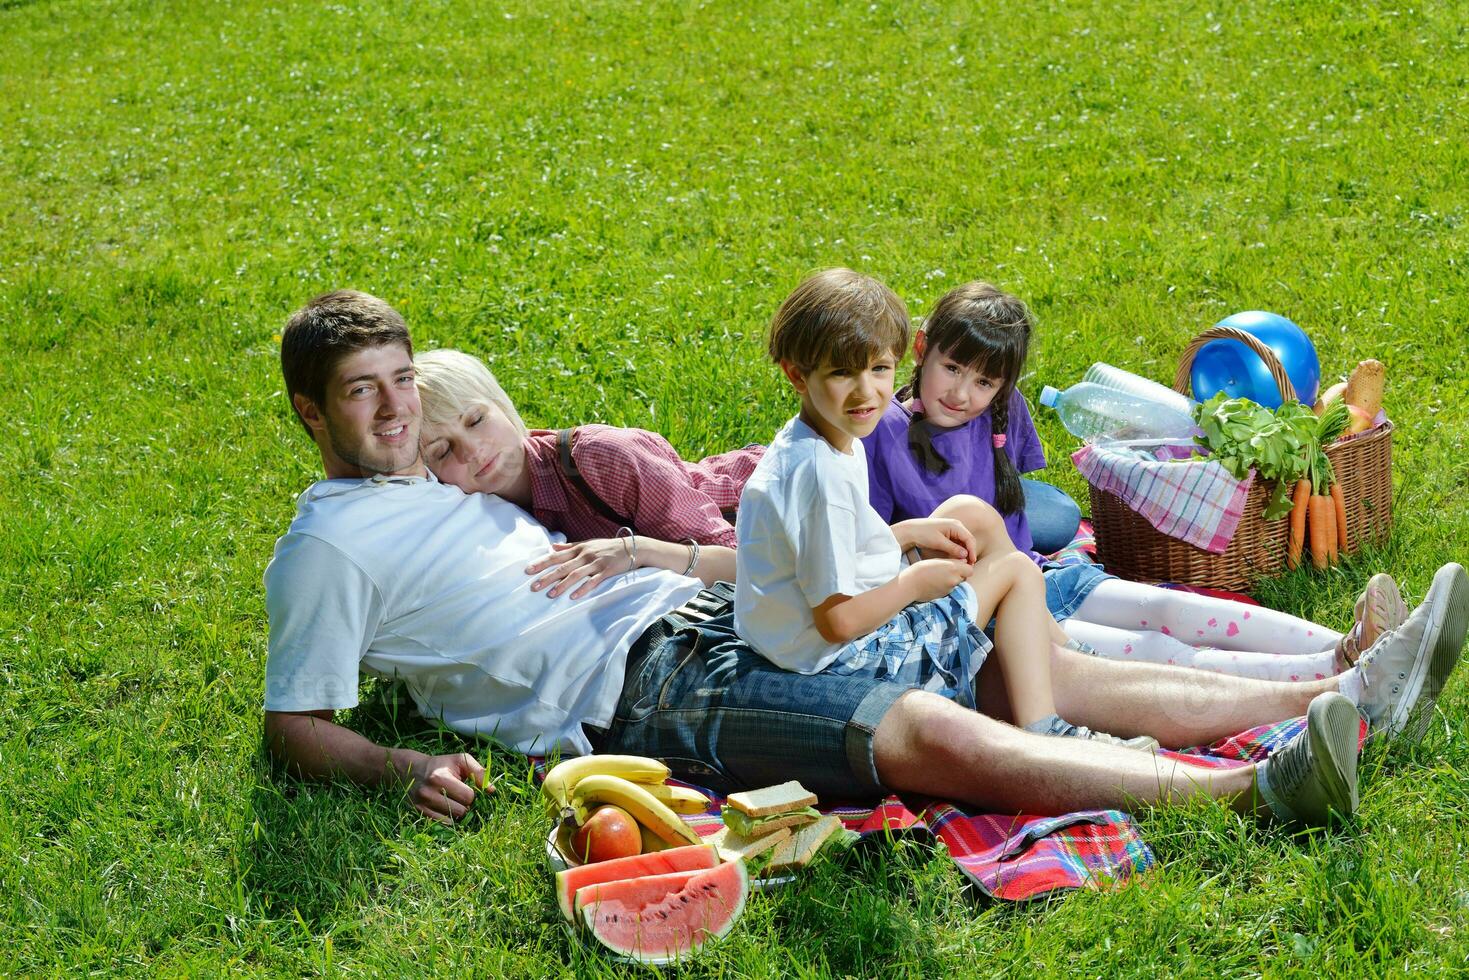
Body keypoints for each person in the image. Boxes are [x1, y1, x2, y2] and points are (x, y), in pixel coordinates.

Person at [262, 288, 1468, 830]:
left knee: (1010, 641)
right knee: (918, 729)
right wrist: (394, 765)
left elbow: (516, 450)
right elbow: (293, 721)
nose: (393, 411)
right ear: (312, 416)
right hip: (638, 690)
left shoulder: (432, 466)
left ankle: (1334, 695)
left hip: (696, 613)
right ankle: (1256, 790)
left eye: (402, 384)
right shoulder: (322, 546)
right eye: (360, 395)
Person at [862, 280, 1408, 681]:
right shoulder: (883, 432)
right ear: (921, 348)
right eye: (952, 368)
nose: (962, 393)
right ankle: (1333, 673)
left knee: (1171, 608)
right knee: (1155, 649)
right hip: (996, 615)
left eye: (984, 381)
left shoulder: (1003, 410)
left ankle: (1357, 642)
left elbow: (1024, 504)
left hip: (1041, 577)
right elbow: (880, 549)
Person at [733, 268, 1150, 746]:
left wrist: (906, 534)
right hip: (853, 661)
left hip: (805, 637)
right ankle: (1047, 731)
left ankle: (1069, 649)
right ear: (797, 375)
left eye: (879, 369)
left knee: (968, 515)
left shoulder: (823, 438)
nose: (867, 391)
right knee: (1017, 571)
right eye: (842, 372)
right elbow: (838, 623)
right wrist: (913, 583)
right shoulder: (818, 477)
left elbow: (829, 548)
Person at [412, 348, 761, 598]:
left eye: (476, 420)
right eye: (442, 451)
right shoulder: (473, 518)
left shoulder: (600, 457)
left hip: (778, 505)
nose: (471, 450)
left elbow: (744, 570)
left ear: (503, 406)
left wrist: (636, 551)